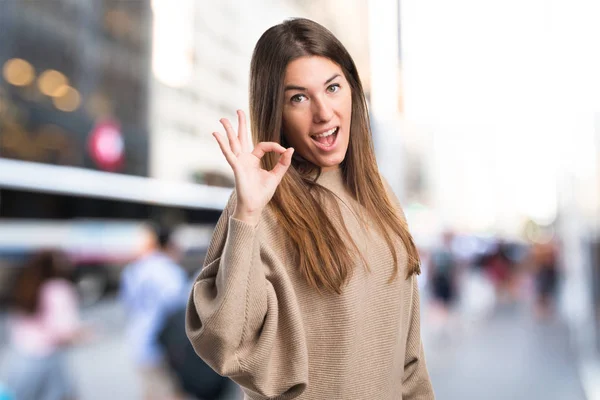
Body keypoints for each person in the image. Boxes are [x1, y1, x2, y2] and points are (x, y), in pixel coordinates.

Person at [186, 18, 435, 399]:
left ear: (352, 90)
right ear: (276, 112)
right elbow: (224, 342)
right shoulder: (261, 204)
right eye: (298, 97)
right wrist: (248, 216)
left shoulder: (380, 196)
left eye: (333, 88)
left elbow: (410, 360)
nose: (323, 112)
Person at [3, 250, 88, 400]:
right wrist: (86, 333)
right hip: (48, 360)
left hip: (21, 359)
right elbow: (64, 331)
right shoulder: (58, 289)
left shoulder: (25, 285)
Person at [120, 224, 188, 400]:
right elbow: (178, 311)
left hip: (138, 340)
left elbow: (128, 304)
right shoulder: (170, 271)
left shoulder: (133, 269)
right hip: (162, 346)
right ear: (170, 244)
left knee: (150, 392)